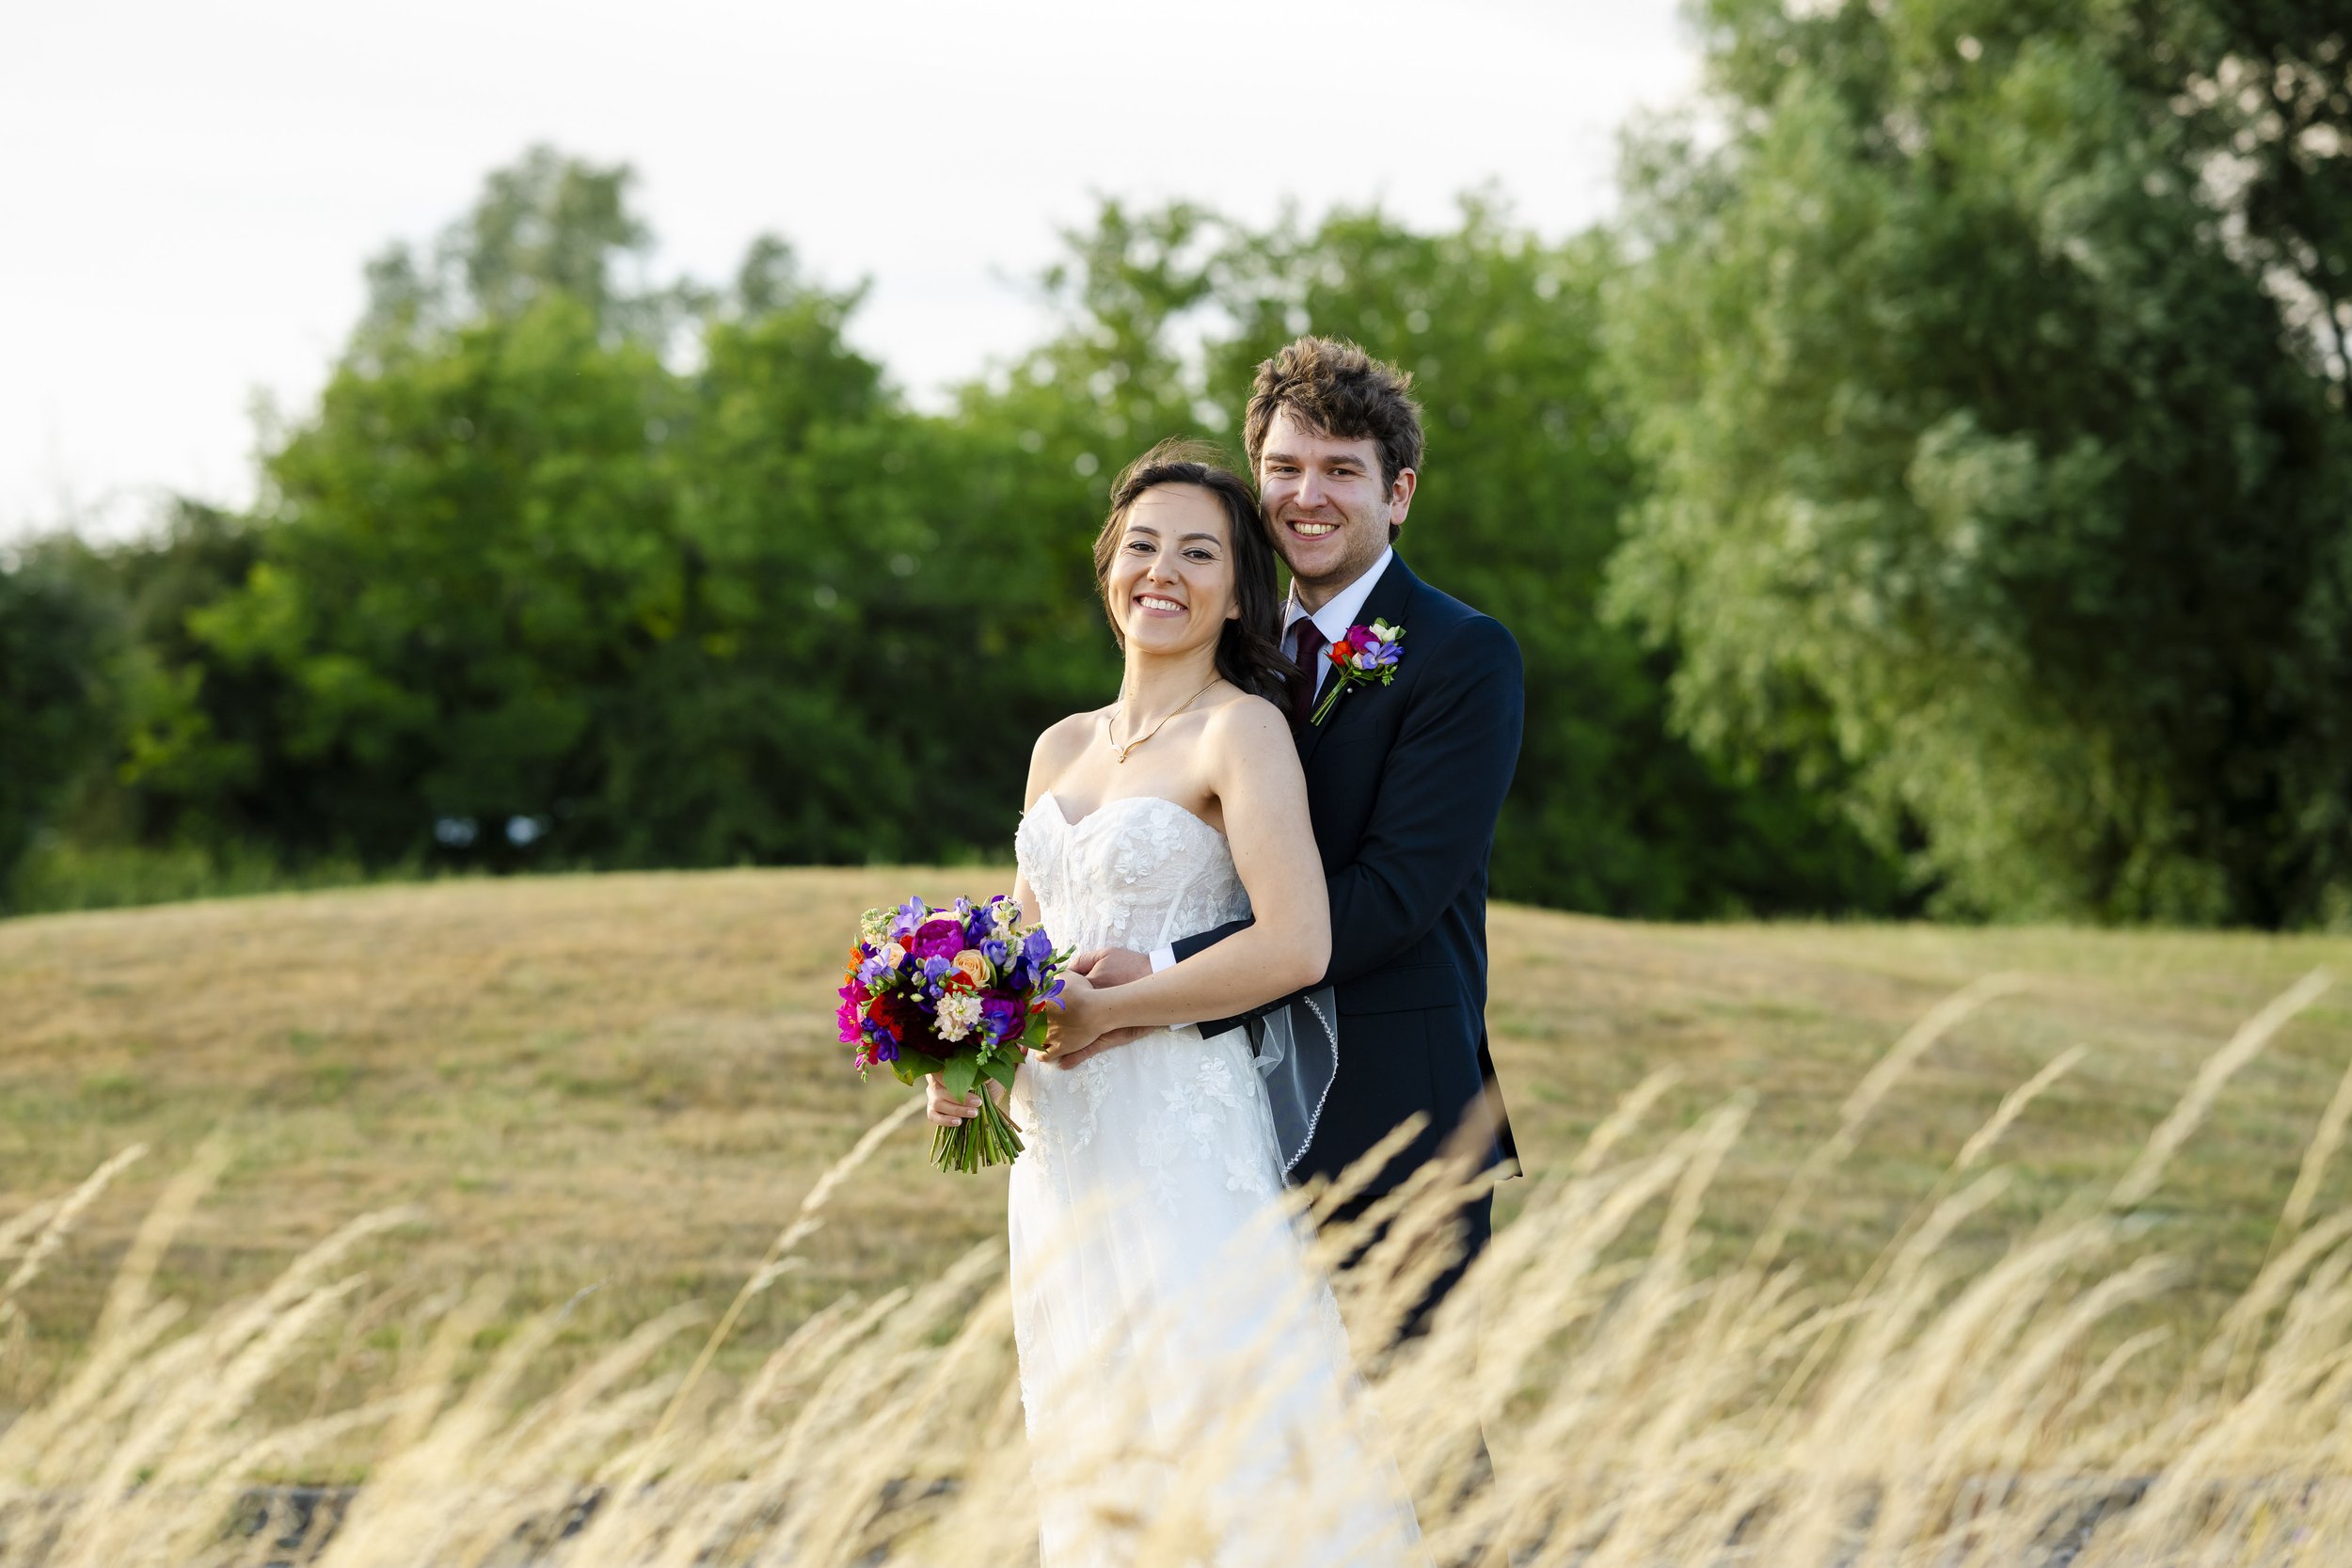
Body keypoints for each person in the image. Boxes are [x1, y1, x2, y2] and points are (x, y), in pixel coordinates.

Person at [925, 439, 1420, 1568]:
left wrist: (1119, 1014)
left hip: (1178, 1125)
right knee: (1094, 1439)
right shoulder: (1059, 745)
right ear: (1108, 564)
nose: (1164, 569)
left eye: (1198, 552)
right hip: (1061, 1153)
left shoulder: (1240, 729)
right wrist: (967, 1068)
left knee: (1221, 1425)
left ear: (1237, 588)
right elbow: (1023, 954)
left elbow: (1297, 942)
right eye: (1142, 544)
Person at [1060, 337, 1524, 1326]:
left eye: (1339, 471)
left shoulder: (1462, 656)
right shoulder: (1235, 656)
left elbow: (1397, 890)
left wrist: (1165, 975)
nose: (1305, 495)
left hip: (1391, 1107)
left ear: (1396, 493)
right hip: (1216, 1115)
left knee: (1409, 1442)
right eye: (1283, 468)